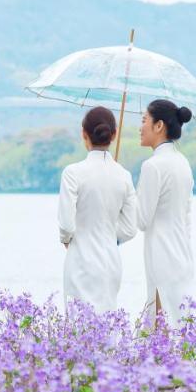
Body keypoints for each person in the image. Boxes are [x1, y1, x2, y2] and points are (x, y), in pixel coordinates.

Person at [57, 106, 138, 311]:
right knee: (106, 327)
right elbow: (130, 229)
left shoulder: (73, 173)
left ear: (84, 133)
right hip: (110, 263)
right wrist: (110, 236)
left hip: (80, 261)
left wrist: (67, 240)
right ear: (114, 134)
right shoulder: (124, 176)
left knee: (78, 331)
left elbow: (66, 224)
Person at [136, 98, 194, 322]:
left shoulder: (153, 166)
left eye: (144, 121)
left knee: (162, 328)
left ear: (158, 126)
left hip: (161, 254)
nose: (140, 128)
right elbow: (186, 214)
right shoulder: (182, 163)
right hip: (182, 254)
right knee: (178, 323)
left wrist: (125, 197)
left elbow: (141, 220)